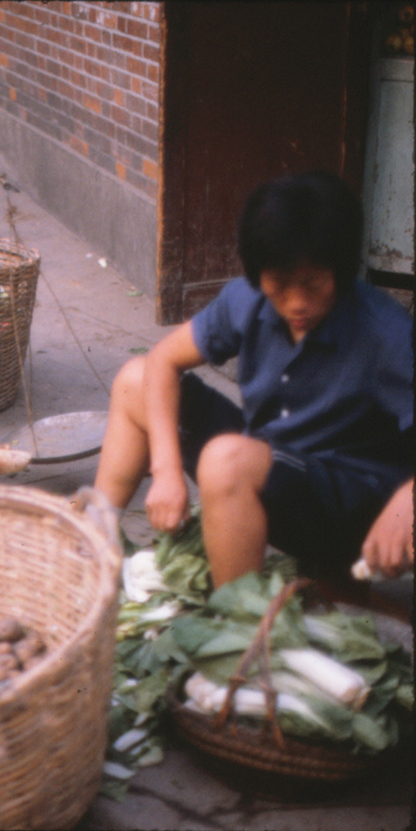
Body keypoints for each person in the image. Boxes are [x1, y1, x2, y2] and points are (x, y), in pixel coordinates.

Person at [94, 171, 414, 587]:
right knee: (135, 380)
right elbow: (161, 361)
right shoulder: (244, 300)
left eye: (313, 284)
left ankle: (239, 626)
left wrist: (406, 505)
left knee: (226, 460)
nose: (297, 303)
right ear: (257, 273)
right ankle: (91, 541)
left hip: (346, 510)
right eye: (279, 285)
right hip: (266, 466)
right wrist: (168, 469)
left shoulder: (386, 332)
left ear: (340, 269)